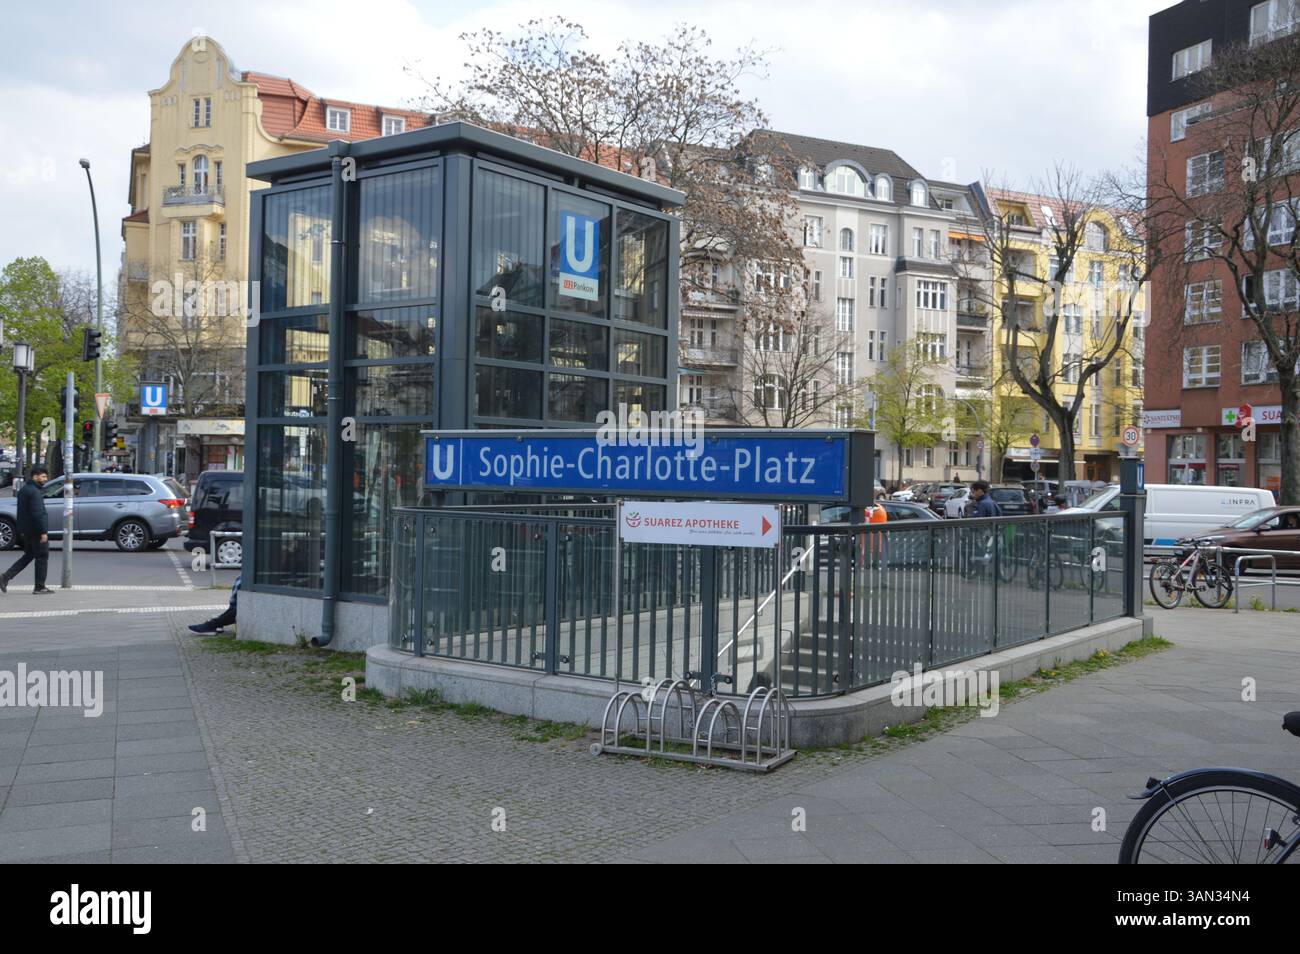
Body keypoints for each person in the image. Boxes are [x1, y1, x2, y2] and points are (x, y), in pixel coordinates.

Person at [0, 466, 54, 595]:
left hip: (27, 530)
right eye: (43, 476)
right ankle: (39, 587)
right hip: (36, 531)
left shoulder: (24, 490)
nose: (45, 479)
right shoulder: (34, 492)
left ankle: (6, 577)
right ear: (35, 476)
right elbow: (38, 513)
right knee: (42, 557)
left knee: (29, 555)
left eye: (46, 476)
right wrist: (43, 532)